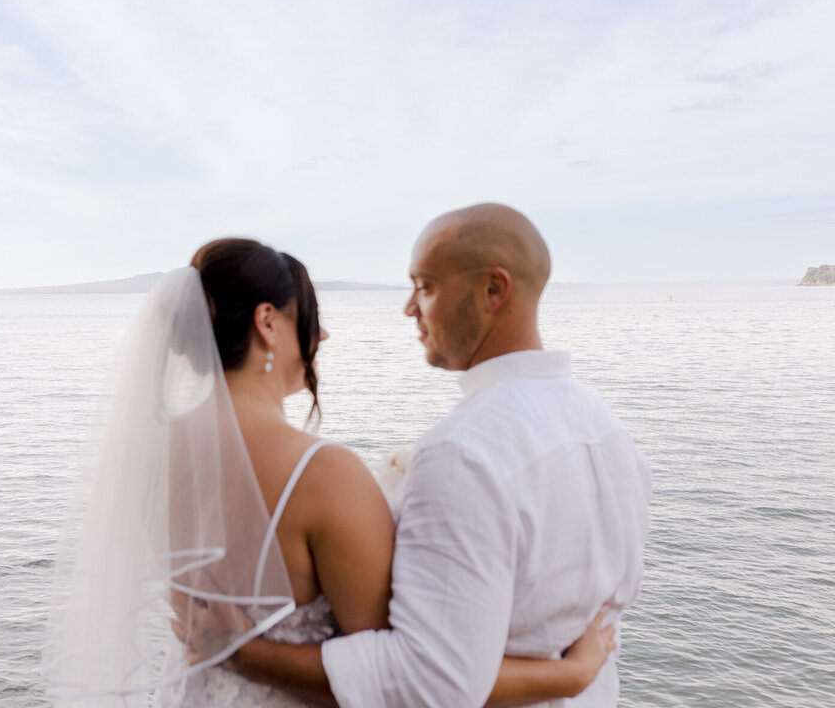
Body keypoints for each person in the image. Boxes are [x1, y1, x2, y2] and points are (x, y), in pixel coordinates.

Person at [46, 238, 616, 706]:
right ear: (268, 323)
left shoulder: (151, 454)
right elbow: (401, 677)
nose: (322, 337)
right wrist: (570, 675)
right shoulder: (322, 474)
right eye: (311, 319)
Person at [210, 205, 652, 707]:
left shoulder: (464, 454)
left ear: (494, 290)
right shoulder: (613, 436)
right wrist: (575, 675)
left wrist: (243, 655)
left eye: (424, 286)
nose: (408, 308)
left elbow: (428, 681)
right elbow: (608, 610)